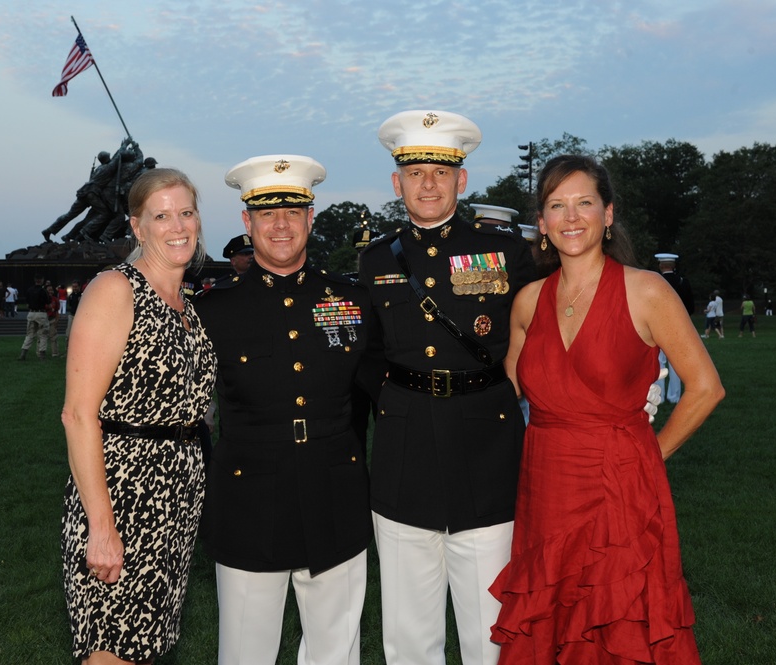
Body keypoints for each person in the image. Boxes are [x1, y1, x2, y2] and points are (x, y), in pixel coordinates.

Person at [489, 154, 725, 664]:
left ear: (608, 214)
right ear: (542, 223)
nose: (571, 218)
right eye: (557, 206)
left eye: (584, 204)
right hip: (546, 488)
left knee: (619, 624)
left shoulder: (646, 290)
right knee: (550, 622)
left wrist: (648, 457)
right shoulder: (528, 300)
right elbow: (507, 388)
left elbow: (706, 387)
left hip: (620, 489)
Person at [358, 110, 536, 665]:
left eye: (440, 171)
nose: (428, 183)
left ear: (462, 180)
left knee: (490, 625)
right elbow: (364, 355)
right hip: (404, 446)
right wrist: (391, 404)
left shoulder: (506, 253)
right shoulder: (373, 259)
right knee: (409, 631)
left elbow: (535, 337)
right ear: (397, 183)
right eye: (415, 174)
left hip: (486, 444)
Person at [195, 155, 384, 665]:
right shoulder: (212, 311)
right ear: (246, 222)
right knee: (246, 649)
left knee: (335, 649)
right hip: (249, 496)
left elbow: (384, 391)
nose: (281, 225)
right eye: (266, 213)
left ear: (311, 218)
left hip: (334, 489)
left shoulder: (351, 300)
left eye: (293, 212)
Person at [60, 167, 217, 664]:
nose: (177, 226)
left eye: (186, 213)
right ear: (137, 226)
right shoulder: (115, 289)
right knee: (113, 651)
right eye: (162, 216)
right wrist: (101, 527)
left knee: (148, 649)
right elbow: (78, 415)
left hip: (176, 503)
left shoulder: (189, 305)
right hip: (124, 498)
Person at [655, 253, 695, 403]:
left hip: (657, 327)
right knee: (675, 363)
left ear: (660, 265)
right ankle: (674, 396)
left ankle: (659, 396)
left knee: (659, 363)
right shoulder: (683, 282)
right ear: (674, 266)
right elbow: (690, 307)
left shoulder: (656, 282)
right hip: (679, 327)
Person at [17, 275, 50, 360]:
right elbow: (48, 302)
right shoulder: (43, 291)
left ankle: (23, 353)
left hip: (31, 313)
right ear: (42, 280)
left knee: (29, 335)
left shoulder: (29, 290)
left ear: (35, 280)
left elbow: (27, 304)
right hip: (41, 313)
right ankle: (42, 355)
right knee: (43, 335)